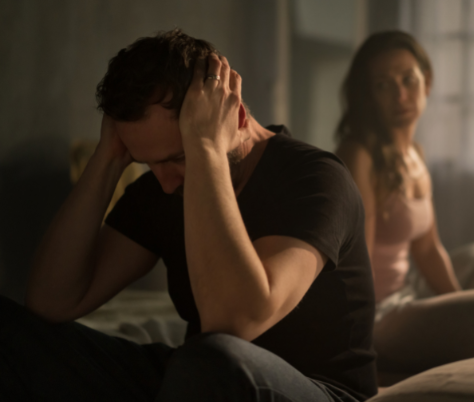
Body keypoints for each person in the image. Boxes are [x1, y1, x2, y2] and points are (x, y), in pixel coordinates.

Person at [0, 29, 377, 401]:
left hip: (314, 390)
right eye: (149, 163)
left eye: (179, 157)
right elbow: (51, 302)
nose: (165, 183)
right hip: (198, 377)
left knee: (214, 359)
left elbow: (233, 323)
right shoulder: (164, 187)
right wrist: (109, 158)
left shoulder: (316, 179)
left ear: (235, 115)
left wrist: (204, 149)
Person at [334, 30, 474, 382]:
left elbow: (427, 249)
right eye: (383, 85)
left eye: (408, 79)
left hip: (408, 292)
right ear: (368, 95)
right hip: (378, 315)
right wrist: (356, 351)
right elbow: (355, 263)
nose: (400, 95)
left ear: (427, 82)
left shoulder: (414, 154)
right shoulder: (359, 155)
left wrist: (460, 307)